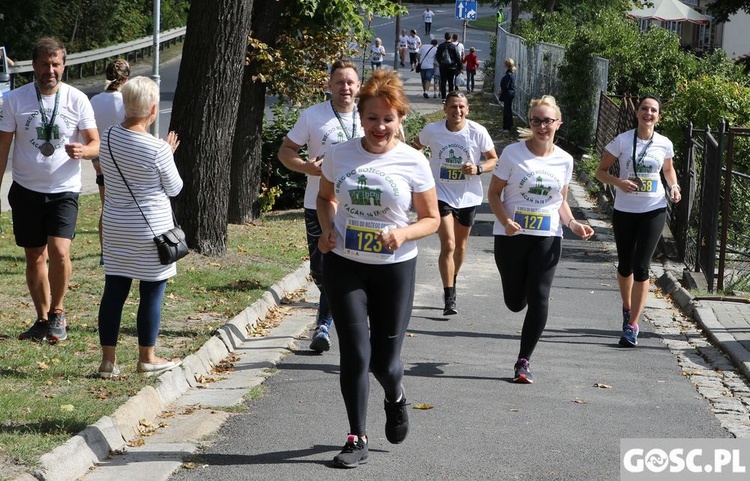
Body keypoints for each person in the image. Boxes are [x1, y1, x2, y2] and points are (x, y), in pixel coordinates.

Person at [317, 69, 439, 468]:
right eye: (371, 118)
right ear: (361, 118)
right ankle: (357, 436)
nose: (379, 127)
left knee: (385, 363)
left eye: (388, 119)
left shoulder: (413, 161)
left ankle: (396, 395)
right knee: (354, 351)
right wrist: (327, 230)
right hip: (345, 264)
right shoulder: (340, 154)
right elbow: (325, 198)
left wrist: (404, 234)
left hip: (393, 269)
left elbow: (431, 219)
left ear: (400, 119)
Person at [487, 96, 594, 383]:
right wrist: (506, 222)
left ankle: (523, 361)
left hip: (547, 236)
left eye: (548, 121)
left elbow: (560, 200)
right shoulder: (512, 154)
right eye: (536, 120)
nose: (542, 126)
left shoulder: (565, 160)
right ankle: (519, 296)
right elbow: (494, 194)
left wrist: (572, 223)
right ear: (530, 123)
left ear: (558, 124)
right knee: (514, 302)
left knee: (540, 296)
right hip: (511, 237)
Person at [0, 37, 100, 342]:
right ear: (34, 66)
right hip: (26, 189)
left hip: (63, 190)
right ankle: (42, 319)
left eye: (56, 64)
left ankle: (58, 312)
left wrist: (85, 151)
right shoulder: (14, 100)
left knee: (58, 251)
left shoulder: (76, 99)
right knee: (34, 256)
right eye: (44, 64)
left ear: (64, 65)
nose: (50, 70)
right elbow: (2, 148)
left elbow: (95, 143)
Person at [96, 76, 183, 378]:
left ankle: (108, 362)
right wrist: (168, 154)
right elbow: (174, 188)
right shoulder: (157, 149)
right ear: (153, 109)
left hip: (116, 225)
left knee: (114, 291)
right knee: (151, 292)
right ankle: (147, 357)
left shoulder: (107, 137)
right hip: (151, 231)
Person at [278, 60, 363, 354]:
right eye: (339, 82)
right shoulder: (313, 116)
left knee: (343, 269)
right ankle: (335, 309)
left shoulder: (370, 117)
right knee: (320, 270)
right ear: (329, 85)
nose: (345, 88)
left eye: (350, 82)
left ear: (359, 86)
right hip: (319, 202)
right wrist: (306, 168)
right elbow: (286, 151)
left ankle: (324, 326)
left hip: (359, 207)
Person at [594, 95, 681, 347]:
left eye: (653, 110)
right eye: (644, 109)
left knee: (642, 266)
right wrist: (618, 182)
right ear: (637, 113)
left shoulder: (664, 143)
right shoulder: (622, 141)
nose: (648, 113)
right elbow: (600, 172)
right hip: (625, 210)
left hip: (653, 208)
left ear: (658, 116)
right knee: (625, 266)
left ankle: (632, 325)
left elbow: (667, 169)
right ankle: (627, 306)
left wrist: (673, 185)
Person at [415, 91, 498, 316]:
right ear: (445, 109)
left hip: (469, 196)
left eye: (461, 107)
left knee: (460, 247)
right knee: (449, 245)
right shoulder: (433, 130)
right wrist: (419, 169)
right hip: (439, 193)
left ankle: (453, 277)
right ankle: (449, 295)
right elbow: (415, 148)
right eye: (453, 106)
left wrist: (478, 168)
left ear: (467, 109)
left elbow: (493, 159)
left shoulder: (477, 132)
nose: (457, 111)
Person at [90, 59, 131, 264]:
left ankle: (105, 253)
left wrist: (95, 159)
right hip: (124, 161)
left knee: (107, 208)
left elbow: (90, 134)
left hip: (102, 161)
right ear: (127, 78)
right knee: (127, 207)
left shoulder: (94, 101)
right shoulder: (126, 101)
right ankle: (125, 249)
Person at [436, 32, 462, 101]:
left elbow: (437, 56)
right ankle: (450, 97)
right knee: (451, 82)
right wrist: (459, 68)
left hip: (443, 67)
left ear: (445, 37)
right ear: (451, 38)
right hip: (452, 67)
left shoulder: (441, 46)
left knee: (443, 82)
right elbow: (458, 58)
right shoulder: (454, 46)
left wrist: (441, 63)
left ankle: (443, 97)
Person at [498, 58, 517, 131]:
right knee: (507, 110)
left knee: (507, 110)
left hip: (508, 93)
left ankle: (507, 127)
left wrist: (501, 91)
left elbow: (505, 86)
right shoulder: (511, 73)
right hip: (510, 93)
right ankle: (505, 126)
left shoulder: (508, 75)